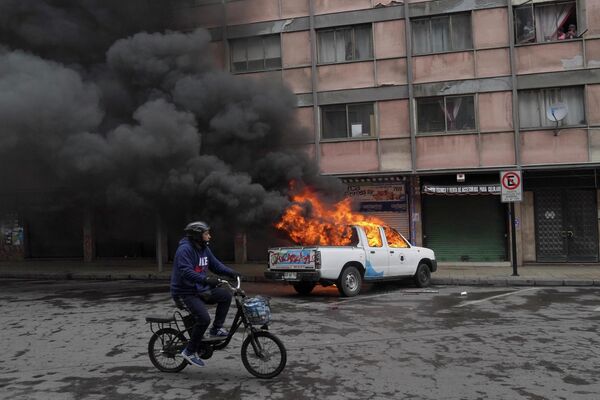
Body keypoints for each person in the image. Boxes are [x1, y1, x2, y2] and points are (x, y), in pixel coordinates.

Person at [170, 221, 241, 368]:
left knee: (225, 296)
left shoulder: (203, 249)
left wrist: (231, 272)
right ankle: (189, 351)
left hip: (199, 289)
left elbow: (215, 265)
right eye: (206, 233)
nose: (209, 236)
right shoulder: (184, 250)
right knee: (203, 318)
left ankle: (217, 328)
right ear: (197, 236)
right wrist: (206, 279)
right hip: (185, 292)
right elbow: (186, 272)